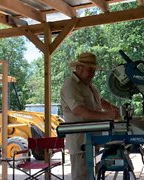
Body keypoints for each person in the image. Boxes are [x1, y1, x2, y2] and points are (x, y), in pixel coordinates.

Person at [60, 52, 120, 180]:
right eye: (90, 70)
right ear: (79, 68)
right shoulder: (70, 85)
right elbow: (79, 111)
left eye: (94, 70)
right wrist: (106, 115)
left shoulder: (90, 85)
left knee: (92, 176)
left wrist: (117, 111)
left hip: (93, 139)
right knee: (82, 177)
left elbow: (101, 101)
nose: (93, 73)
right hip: (81, 141)